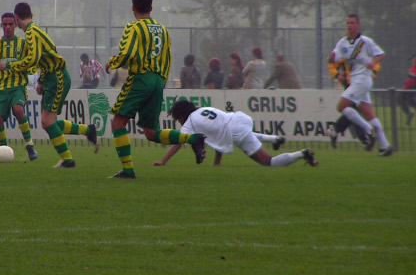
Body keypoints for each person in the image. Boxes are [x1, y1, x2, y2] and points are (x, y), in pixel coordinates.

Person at [105, 0, 206, 179]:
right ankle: (193, 138)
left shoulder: (133, 28)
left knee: (118, 123)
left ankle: (128, 171)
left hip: (140, 78)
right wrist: (161, 81)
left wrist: (112, 62)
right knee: (151, 132)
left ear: (133, 8)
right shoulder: (163, 30)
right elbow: (168, 58)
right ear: (151, 8)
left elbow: (127, 52)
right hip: (158, 80)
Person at [0, 3, 98, 167]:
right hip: (52, 77)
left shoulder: (31, 33)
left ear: (16, 19)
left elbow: (33, 59)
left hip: (57, 76)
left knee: (47, 121)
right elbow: (47, 55)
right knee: (49, 121)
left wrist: (9, 65)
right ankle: (87, 131)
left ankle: (68, 159)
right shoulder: (35, 31)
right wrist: (42, 80)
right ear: (32, 15)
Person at [153, 100, 317, 168]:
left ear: (181, 116)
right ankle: (275, 139)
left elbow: (177, 143)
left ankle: (302, 153)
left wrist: (163, 161)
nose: (179, 122)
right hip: (239, 119)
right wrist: (217, 163)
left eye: (178, 119)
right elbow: (218, 135)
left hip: (236, 132)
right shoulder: (204, 109)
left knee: (268, 161)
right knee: (247, 134)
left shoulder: (190, 123)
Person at [327, 14, 392, 156]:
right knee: (370, 115)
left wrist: (373, 63)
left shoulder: (365, 41)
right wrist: (332, 58)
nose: (349, 26)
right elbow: (335, 56)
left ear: (358, 25)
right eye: (348, 23)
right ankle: (385, 147)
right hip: (354, 81)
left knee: (341, 106)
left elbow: (381, 54)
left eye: (352, 23)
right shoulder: (343, 42)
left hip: (362, 80)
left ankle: (368, 130)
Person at [0, 12, 38, 161]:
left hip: (17, 86)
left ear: (15, 25)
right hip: (0, 89)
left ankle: (29, 145)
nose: (7, 27)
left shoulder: (23, 44)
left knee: (18, 109)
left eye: (10, 24)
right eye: (5, 24)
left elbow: (30, 63)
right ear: (2, 26)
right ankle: (4, 149)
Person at [399, 54, 416, 125]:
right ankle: (409, 114)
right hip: (411, 88)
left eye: (412, 59)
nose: (411, 61)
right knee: (411, 101)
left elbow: (410, 80)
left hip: (410, 88)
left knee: (401, 99)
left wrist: (405, 88)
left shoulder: (414, 68)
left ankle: (409, 114)